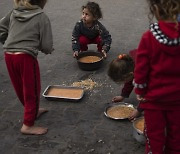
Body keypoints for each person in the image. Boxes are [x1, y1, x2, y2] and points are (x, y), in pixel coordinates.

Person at [0, 0, 54, 135]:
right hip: (25, 57)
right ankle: (28, 124)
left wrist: (7, 41)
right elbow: (46, 44)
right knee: (32, 90)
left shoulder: (14, 12)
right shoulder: (41, 16)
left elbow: (1, 28)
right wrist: (47, 50)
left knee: (20, 87)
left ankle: (33, 111)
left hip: (9, 55)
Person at [133, 0, 180, 153]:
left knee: (154, 136)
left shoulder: (148, 37)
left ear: (155, 9)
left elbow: (141, 70)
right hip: (177, 100)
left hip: (154, 101)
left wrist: (140, 91)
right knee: (176, 136)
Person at [108, 49, 143, 120]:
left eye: (123, 80)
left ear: (131, 74)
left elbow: (147, 94)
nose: (125, 82)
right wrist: (123, 95)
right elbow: (129, 81)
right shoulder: (128, 64)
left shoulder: (142, 73)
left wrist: (139, 110)